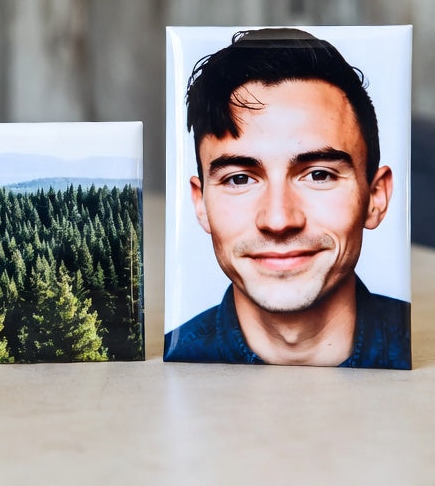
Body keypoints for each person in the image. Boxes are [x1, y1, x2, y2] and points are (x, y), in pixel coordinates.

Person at [164, 28, 411, 368]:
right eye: (239, 179)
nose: (279, 220)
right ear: (200, 203)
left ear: (376, 196)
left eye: (319, 175)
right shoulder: (169, 374)